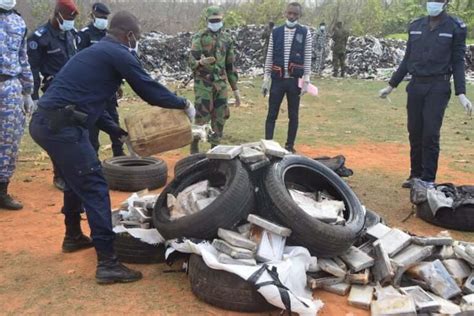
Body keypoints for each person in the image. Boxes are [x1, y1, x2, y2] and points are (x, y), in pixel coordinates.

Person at [29, 11, 196, 284]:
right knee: (94, 184)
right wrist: (181, 103)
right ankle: (107, 263)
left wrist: (114, 129)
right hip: (62, 128)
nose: (136, 42)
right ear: (128, 35)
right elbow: (148, 89)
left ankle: (72, 235)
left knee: (75, 179)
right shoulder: (118, 53)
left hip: (50, 123)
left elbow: (92, 99)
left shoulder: (97, 52)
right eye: (136, 37)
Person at [379, 0, 472, 189]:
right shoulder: (415, 26)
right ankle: (415, 175)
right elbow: (407, 59)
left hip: (438, 86)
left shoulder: (455, 27)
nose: (432, 4)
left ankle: (428, 179)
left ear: (445, 3)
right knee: (415, 131)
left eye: (437, 1)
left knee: (430, 133)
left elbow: (458, 61)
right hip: (416, 85)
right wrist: (391, 85)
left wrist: (461, 93)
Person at [27, 0, 79, 191]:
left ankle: (73, 172)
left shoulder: (70, 34)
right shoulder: (40, 38)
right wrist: (33, 94)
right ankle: (60, 175)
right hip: (54, 92)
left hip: (74, 91)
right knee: (58, 133)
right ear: (57, 15)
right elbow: (33, 68)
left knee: (75, 132)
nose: (69, 22)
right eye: (67, 18)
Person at [261, 2, 312, 153]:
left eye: (295, 14)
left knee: (293, 115)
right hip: (277, 80)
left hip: (294, 81)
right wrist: (266, 79)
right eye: (290, 13)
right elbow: (269, 56)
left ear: (299, 15)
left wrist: (307, 80)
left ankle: (290, 146)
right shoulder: (276, 32)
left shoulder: (304, 32)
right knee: (272, 114)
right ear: (285, 13)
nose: (292, 16)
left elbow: (307, 57)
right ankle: (268, 144)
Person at [188, 5, 240, 153]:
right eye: (212, 20)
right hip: (204, 83)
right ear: (207, 20)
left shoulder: (227, 39)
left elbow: (230, 66)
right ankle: (194, 146)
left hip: (221, 84)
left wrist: (235, 90)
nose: (215, 23)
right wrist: (200, 63)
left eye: (218, 20)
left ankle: (215, 149)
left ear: (222, 20)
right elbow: (191, 61)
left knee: (220, 116)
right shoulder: (200, 37)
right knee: (201, 116)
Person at [78, 2, 125, 157]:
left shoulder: (109, 35)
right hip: (91, 91)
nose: (103, 20)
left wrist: (119, 84)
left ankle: (119, 156)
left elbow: (116, 62)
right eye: (100, 17)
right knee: (93, 128)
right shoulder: (84, 35)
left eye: (105, 17)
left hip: (109, 91)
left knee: (114, 122)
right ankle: (93, 160)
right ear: (93, 15)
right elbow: (79, 62)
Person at [0, 0, 34, 210]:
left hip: (10, 86)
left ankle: (2, 191)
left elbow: (23, 58)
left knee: (8, 142)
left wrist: (28, 91)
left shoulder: (18, 22)